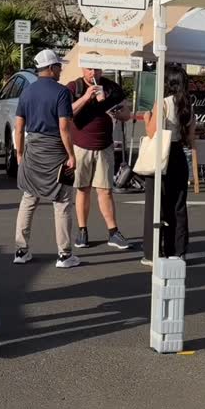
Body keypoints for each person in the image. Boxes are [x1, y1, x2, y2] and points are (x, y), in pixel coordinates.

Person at [13, 48, 79, 268]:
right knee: (62, 202)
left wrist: (19, 153)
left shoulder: (27, 91)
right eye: (59, 66)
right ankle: (64, 254)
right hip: (56, 151)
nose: (61, 69)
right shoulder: (61, 92)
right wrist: (71, 155)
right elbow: (64, 127)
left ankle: (21, 250)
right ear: (51, 68)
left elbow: (19, 127)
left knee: (29, 199)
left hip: (33, 149)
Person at [66, 66, 131, 250]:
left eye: (96, 70)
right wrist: (86, 97)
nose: (93, 73)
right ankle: (82, 231)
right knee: (83, 189)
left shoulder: (112, 88)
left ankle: (113, 232)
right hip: (80, 146)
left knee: (105, 190)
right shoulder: (74, 87)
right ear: (82, 70)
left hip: (105, 145)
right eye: (89, 70)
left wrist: (115, 112)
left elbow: (126, 113)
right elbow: (67, 112)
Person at [142, 66, 195, 266]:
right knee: (178, 205)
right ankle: (178, 251)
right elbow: (190, 137)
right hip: (179, 154)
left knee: (158, 205)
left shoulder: (162, 103)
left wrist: (147, 117)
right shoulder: (188, 104)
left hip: (161, 155)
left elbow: (151, 132)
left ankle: (155, 251)